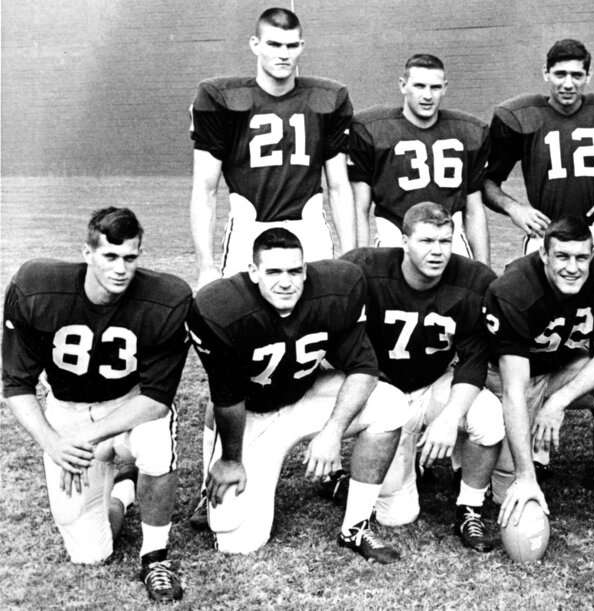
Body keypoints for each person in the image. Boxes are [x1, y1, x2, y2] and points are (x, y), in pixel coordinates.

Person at [188, 228, 414, 562]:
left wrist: (333, 432)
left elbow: (363, 368)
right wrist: (232, 460)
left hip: (307, 394)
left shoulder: (339, 287)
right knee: (239, 541)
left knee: (391, 404)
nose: (286, 282)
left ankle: (355, 527)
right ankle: (211, 483)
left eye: (294, 271)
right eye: (273, 272)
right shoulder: (219, 308)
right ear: (253, 273)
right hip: (254, 411)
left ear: (305, 270)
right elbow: (228, 398)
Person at [2, 208, 191, 603]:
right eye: (109, 256)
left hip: (130, 406)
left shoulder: (166, 298)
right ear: (86, 252)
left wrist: (82, 439)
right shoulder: (37, 289)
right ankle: (124, 489)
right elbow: (16, 384)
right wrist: (54, 443)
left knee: (156, 444)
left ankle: (155, 555)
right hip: (67, 409)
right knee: (90, 554)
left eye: (130, 257)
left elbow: (156, 399)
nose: (120, 268)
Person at [341, 203, 502, 552]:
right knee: (396, 516)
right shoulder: (364, 269)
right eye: (427, 240)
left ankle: (469, 508)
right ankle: (349, 481)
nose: (438, 251)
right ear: (404, 240)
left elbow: (474, 360)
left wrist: (449, 418)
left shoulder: (473, 280)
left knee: (488, 416)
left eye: (446, 241)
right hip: (384, 391)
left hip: (433, 384)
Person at [484, 216, 594, 539]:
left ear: (593, 256)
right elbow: (513, 389)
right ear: (544, 255)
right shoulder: (514, 291)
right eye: (562, 257)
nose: (573, 267)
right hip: (513, 379)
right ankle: (506, 468)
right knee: (504, 487)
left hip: (564, 369)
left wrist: (558, 401)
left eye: (581, 257)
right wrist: (525, 476)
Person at [189, 7, 355, 287]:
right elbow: (205, 189)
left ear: (301, 47)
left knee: (321, 315)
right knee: (239, 318)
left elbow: (339, 186)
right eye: (274, 44)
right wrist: (206, 266)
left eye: (291, 45)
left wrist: (350, 257)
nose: (283, 54)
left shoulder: (328, 99)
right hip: (248, 229)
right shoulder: (220, 98)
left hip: (309, 229)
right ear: (255, 45)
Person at [483, 39, 594, 253]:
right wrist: (514, 208)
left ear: (589, 75)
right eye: (560, 74)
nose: (568, 84)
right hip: (545, 231)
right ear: (546, 73)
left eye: (577, 75)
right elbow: (487, 180)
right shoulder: (517, 116)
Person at [347, 55, 491, 264]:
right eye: (419, 86)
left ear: (445, 87)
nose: (427, 95)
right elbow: (360, 208)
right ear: (403, 85)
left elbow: (474, 209)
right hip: (394, 235)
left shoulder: (468, 131)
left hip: (449, 236)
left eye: (435, 87)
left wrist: (483, 267)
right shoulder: (372, 129)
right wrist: (358, 262)